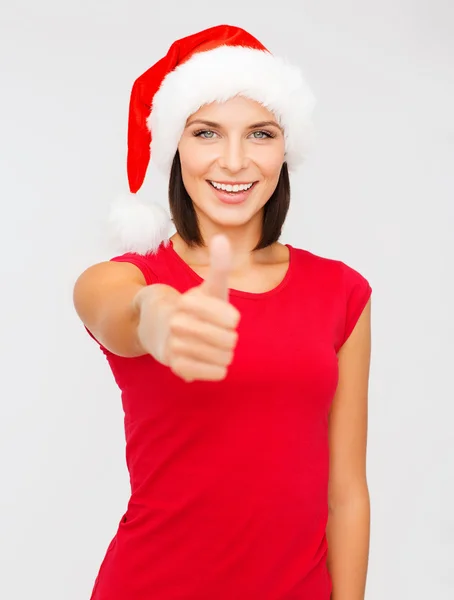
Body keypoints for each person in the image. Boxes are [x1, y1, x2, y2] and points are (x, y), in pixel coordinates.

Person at [73, 24, 372, 600]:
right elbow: (118, 311)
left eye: (259, 134)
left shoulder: (342, 292)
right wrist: (154, 316)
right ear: (175, 149)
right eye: (206, 132)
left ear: (286, 147)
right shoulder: (130, 277)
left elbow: (347, 492)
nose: (234, 161)